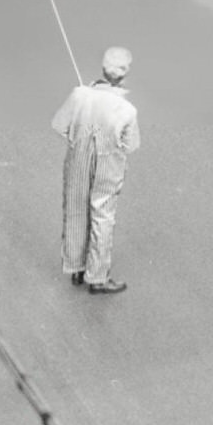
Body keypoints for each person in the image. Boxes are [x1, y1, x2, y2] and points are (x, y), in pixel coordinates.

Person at [51, 47, 139, 295]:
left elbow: (58, 125)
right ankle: (97, 276)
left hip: (77, 159)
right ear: (124, 75)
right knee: (102, 217)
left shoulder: (80, 95)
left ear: (102, 69)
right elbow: (131, 144)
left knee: (76, 211)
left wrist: (77, 137)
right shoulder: (127, 110)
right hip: (108, 166)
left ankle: (76, 267)